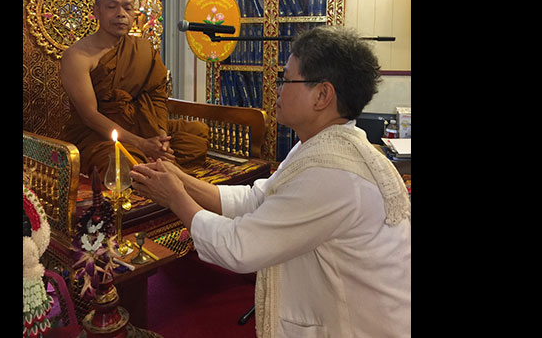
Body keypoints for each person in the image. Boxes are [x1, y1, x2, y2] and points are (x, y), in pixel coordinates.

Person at [130, 26, 411, 338]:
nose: (276, 89)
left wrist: (175, 198)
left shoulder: (334, 173)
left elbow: (239, 247)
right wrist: (179, 178)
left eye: (286, 79)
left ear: (322, 95)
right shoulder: (321, 144)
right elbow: (258, 199)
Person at [60, 0, 209, 180]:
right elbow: (90, 116)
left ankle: (154, 160)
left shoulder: (143, 49)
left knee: (198, 134)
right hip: (98, 136)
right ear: (96, 11)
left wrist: (161, 138)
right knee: (123, 165)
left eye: (128, 8)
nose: (121, 14)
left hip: (143, 126)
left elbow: (156, 96)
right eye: (112, 7)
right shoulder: (77, 56)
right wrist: (142, 144)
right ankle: (151, 163)